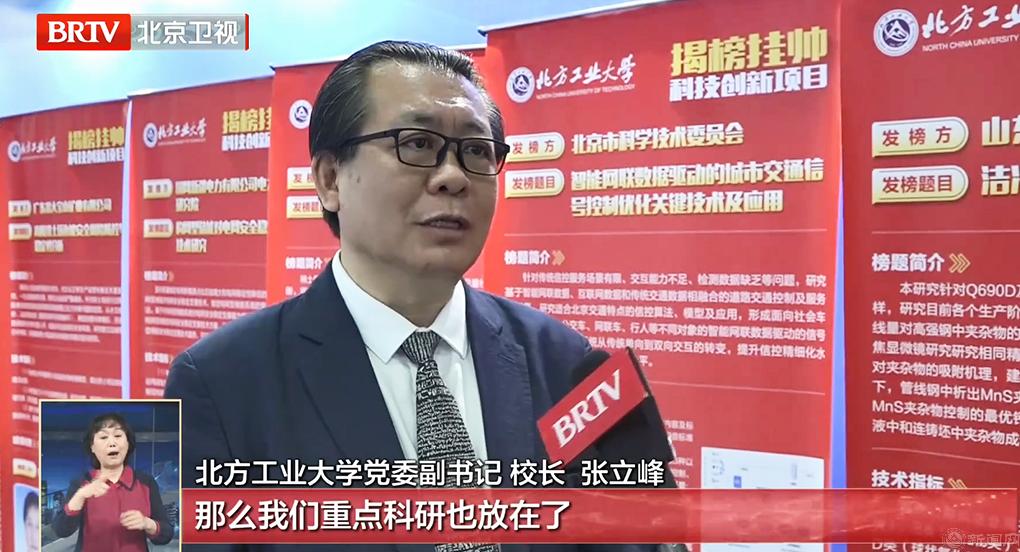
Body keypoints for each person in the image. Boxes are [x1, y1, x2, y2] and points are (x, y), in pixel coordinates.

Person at [165, 40, 660, 552]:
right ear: (330, 179)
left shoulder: (567, 364)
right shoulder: (221, 385)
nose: (453, 177)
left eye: (476, 151)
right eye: (417, 144)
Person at [52, 413, 173, 551]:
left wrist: (148, 524)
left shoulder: (146, 483)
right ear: (92, 447)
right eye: (103, 437)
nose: (112, 442)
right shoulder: (81, 483)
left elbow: (166, 535)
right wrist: (80, 496)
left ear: (128, 443)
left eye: (118, 435)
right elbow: (61, 530)